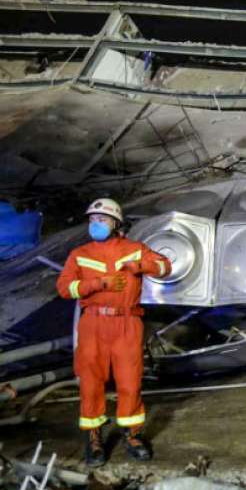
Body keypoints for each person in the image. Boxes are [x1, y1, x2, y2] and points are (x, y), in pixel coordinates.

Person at [55, 198, 171, 467]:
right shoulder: (79, 254)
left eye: (102, 220)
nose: (96, 224)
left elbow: (166, 266)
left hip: (127, 324)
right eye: (92, 220)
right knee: (91, 382)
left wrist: (142, 266)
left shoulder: (134, 249)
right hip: (93, 324)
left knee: (130, 382)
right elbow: (64, 288)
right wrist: (97, 283)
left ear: (117, 223)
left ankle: (132, 436)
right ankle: (94, 439)